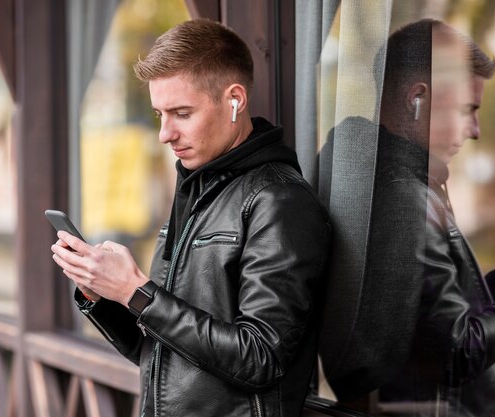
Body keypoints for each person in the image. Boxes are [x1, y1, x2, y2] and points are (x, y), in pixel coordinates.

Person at [50, 19, 330, 417]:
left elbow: (261, 358)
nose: (165, 134)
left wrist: (137, 291)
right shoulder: (195, 192)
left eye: (181, 113)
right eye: (159, 114)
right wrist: (102, 295)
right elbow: (162, 356)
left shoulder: (278, 200)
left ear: (235, 99)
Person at [319, 19, 495, 416]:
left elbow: (437, 314)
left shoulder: (382, 182)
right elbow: (457, 351)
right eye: (466, 109)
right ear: (417, 99)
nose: (475, 129)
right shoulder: (402, 197)